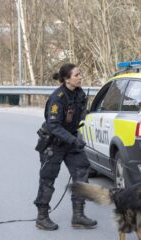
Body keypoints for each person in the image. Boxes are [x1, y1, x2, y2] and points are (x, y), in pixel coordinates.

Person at [33, 63, 97, 231]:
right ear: (67, 79)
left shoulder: (80, 94)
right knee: (48, 179)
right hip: (54, 143)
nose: (80, 77)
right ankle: (42, 217)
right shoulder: (57, 98)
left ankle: (78, 216)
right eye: (77, 75)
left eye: (80, 74)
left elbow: (77, 116)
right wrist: (73, 140)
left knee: (82, 172)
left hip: (71, 142)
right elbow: (53, 125)